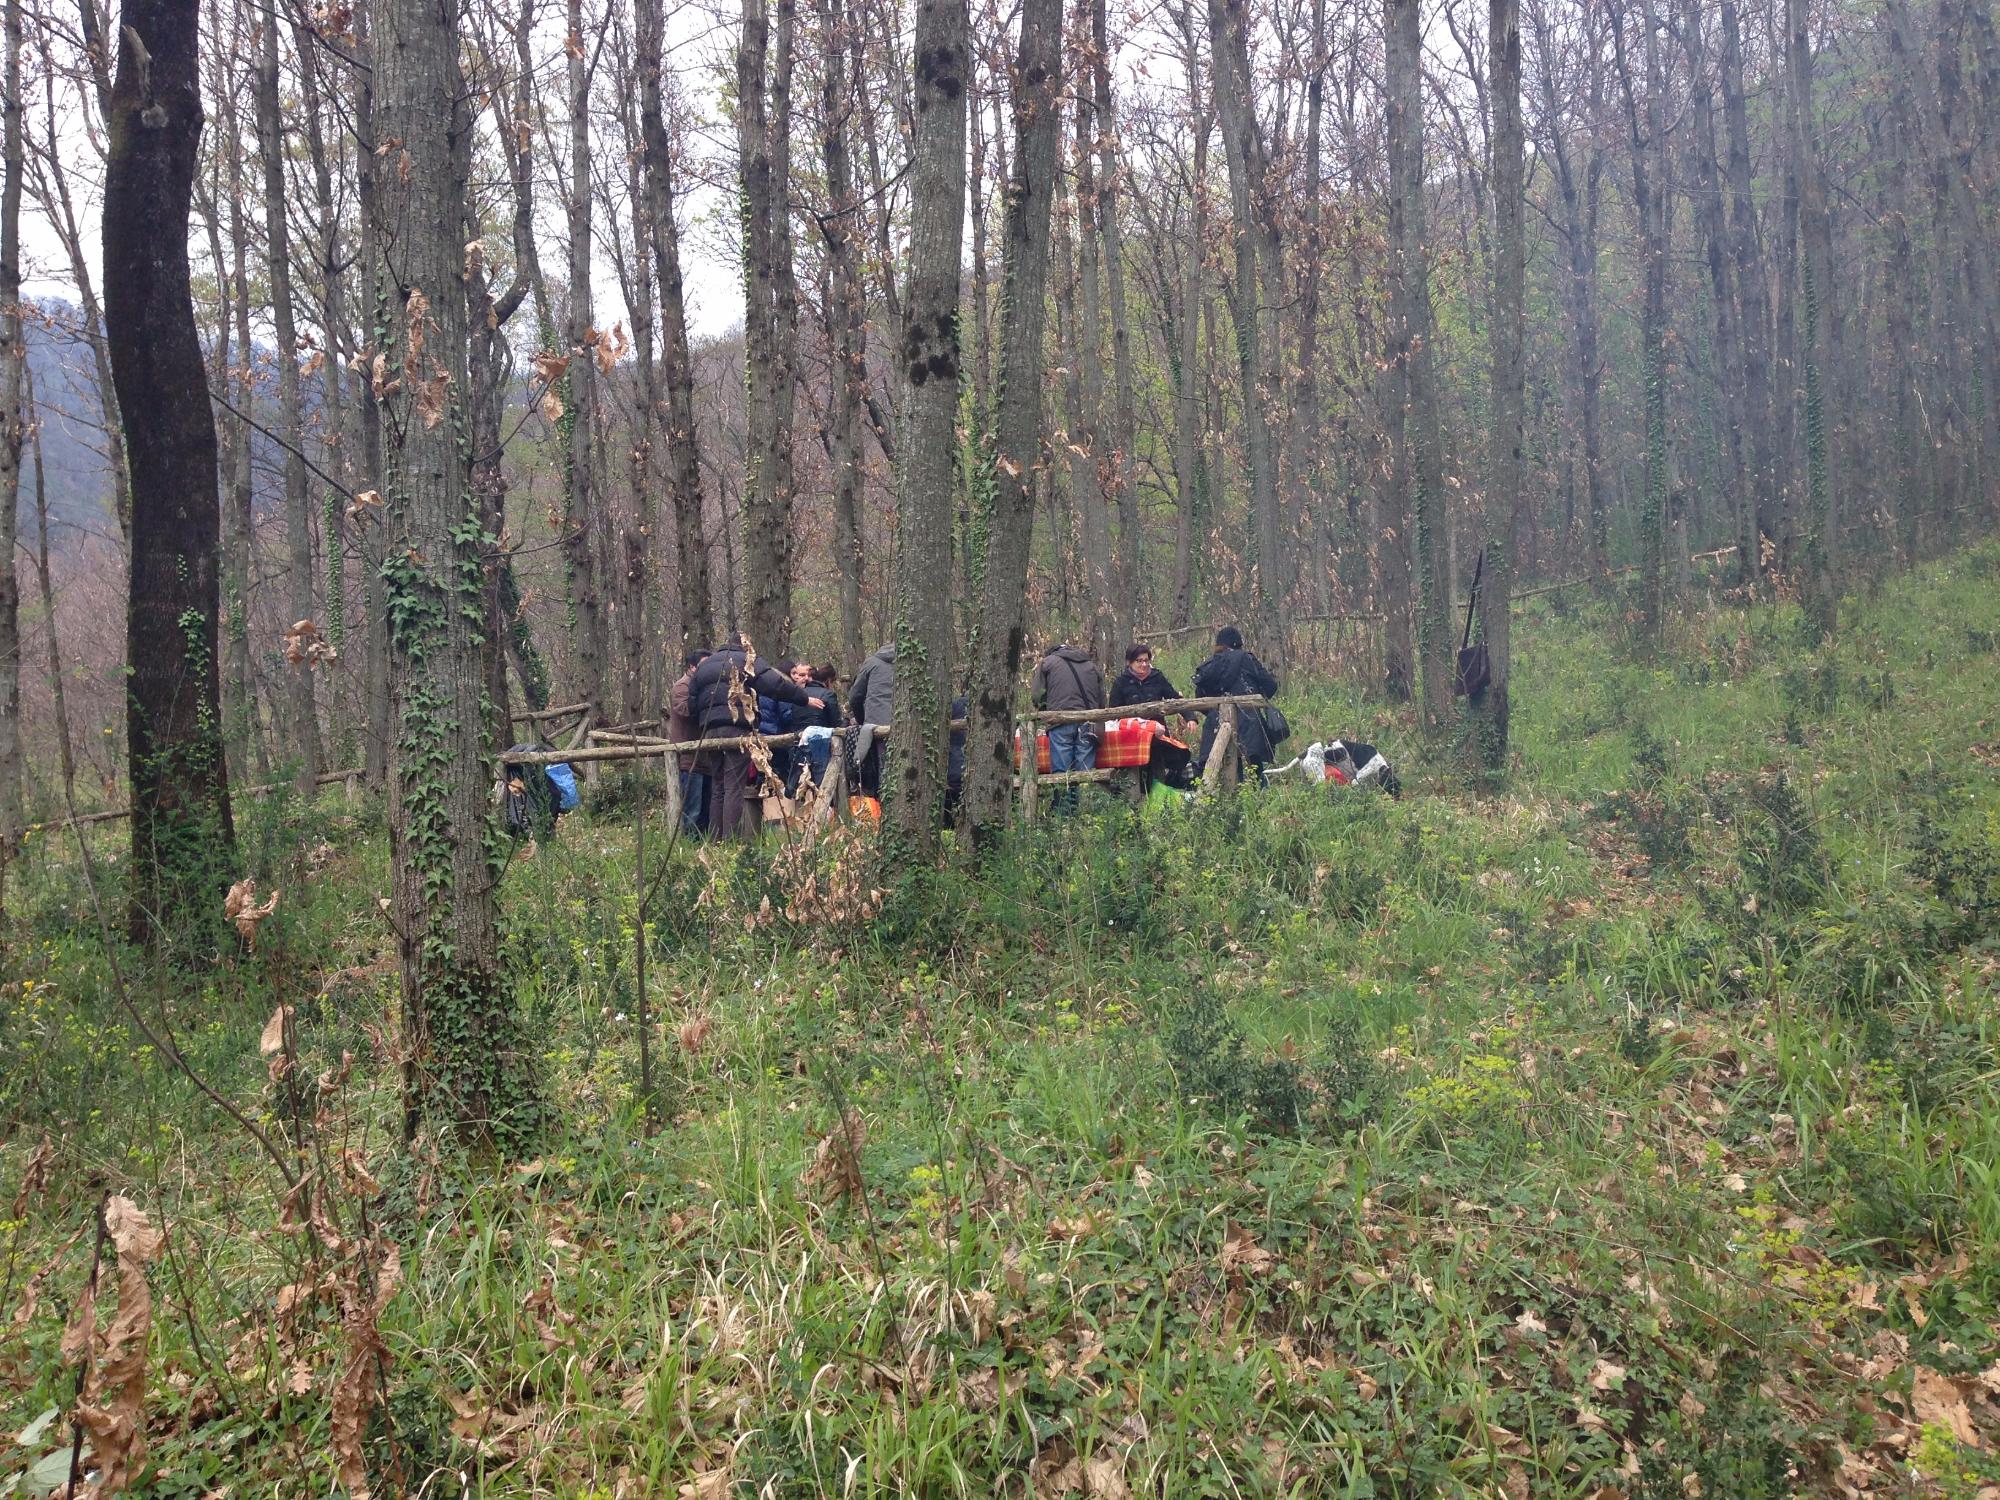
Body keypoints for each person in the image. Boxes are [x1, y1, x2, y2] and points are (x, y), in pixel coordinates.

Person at [691, 640, 831, 838]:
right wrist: (804, 698)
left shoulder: (704, 666)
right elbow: (776, 683)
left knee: (718, 786)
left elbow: (691, 701)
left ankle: (715, 841)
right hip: (737, 727)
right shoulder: (746, 661)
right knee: (733, 785)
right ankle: (730, 842)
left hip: (710, 729)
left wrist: (706, 718)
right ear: (745, 646)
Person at [1192, 625, 1281, 776]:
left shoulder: (1210, 665)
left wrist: (1214, 711)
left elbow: (1200, 697)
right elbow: (1270, 686)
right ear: (1238, 643)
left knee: (1225, 765)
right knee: (1255, 767)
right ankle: (1260, 796)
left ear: (1219, 644)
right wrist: (1256, 699)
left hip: (1217, 722)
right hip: (1249, 720)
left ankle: (1232, 795)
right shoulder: (1247, 659)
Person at [1031, 641, 1105, 815]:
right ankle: (1086, 817)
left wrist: (1045, 712)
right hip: (1089, 722)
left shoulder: (1047, 663)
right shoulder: (1091, 665)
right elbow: (1102, 700)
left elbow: (1036, 696)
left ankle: (1063, 818)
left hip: (1059, 722)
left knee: (1061, 771)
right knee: (1085, 772)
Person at [666, 648, 711, 837]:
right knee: (692, 807)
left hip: (705, 756)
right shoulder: (682, 687)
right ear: (692, 667)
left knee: (706, 807)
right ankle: (690, 844)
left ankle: (704, 841)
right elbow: (685, 711)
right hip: (689, 756)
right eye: (703, 665)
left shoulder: (704, 687)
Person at [847, 644, 895, 794]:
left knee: (879, 768)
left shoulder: (871, 663)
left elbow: (855, 697)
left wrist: (862, 721)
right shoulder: (911, 663)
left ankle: (881, 806)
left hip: (876, 724)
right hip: (904, 722)